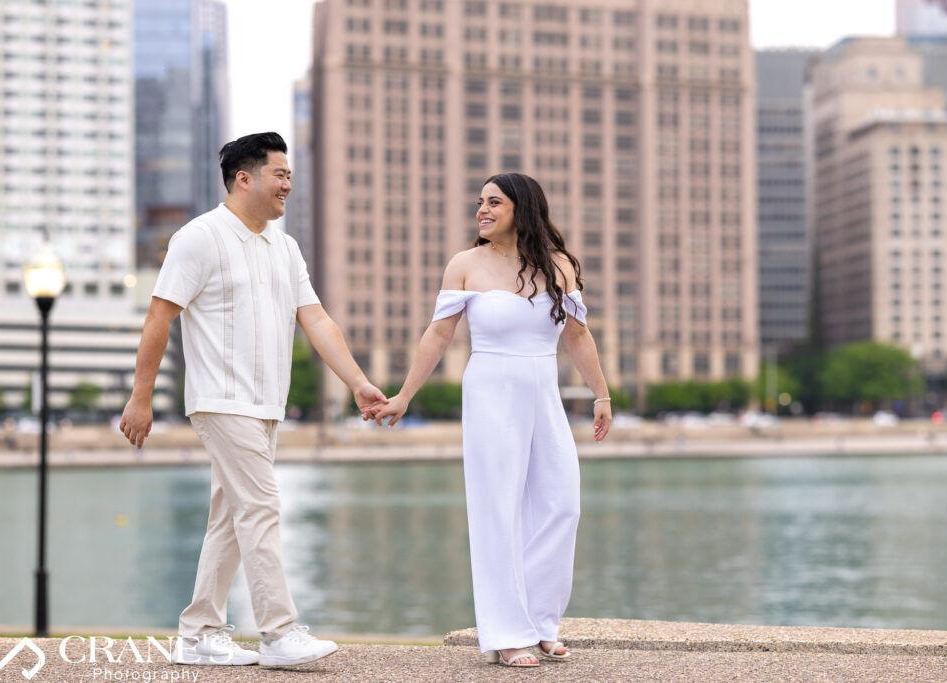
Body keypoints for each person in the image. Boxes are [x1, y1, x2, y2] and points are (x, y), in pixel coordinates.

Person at [119, 132, 386, 667]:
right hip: (221, 399)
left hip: (267, 403)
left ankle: (197, 635)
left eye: (290, 174)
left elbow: (317, 320)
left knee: (232, 518)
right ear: (245, 178)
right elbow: (159, 317)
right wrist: (140, 398)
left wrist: (357, 382)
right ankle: (278, 632)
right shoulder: (200, 238)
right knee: (261, 505)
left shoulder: (285, 248)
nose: (289, 183)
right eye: (280, 174)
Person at [370, 172, 612, 668]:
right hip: (490, 392)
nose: (482, 210)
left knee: (562, 504)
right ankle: (506, 633)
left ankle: (541, 621)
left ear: (522, 210)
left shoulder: (557, 266)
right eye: (480, 202)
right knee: (496, 511)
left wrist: (601, 394)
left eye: (494, 202)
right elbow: (438, 336)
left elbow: (579, 337)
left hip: (543, 393)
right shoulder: (464, 265)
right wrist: (404, 395)